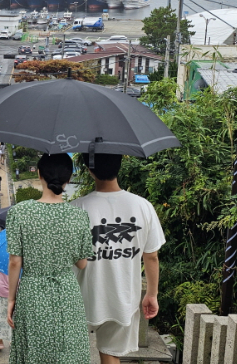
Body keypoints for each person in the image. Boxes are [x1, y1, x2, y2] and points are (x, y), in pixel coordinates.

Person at [71, 152, 165, 364]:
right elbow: (151, 256)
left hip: (81, 297)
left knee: (72, 354)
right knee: (111, 353)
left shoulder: (75, 208)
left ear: (89, 170)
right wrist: (151, 294)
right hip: (123, 296)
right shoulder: (143, 206)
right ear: (119, 166)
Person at [6, 152, 94, 363]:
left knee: (34, 350)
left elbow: (15, 262)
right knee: (68, 351)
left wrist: (11, 298)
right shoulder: (79, 215)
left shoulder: (20, 212)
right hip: (66, 292)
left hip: (32, 292)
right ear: (69, 179)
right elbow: (82, 264)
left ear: (39, 174)